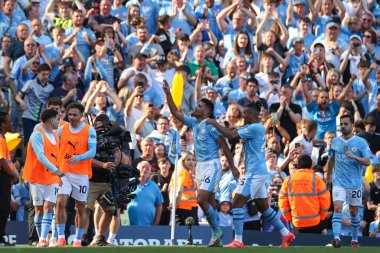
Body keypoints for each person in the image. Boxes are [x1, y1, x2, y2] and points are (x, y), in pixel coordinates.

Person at [206, 102, 295, 248]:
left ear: (253, 115)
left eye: (246, 113)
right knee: (264, 209)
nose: (243, 115)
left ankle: (238, 240)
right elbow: (232, 131)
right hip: (258, 172)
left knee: (236, 203)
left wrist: (214, 123)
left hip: (254, 173)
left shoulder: (254, 127)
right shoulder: (254, 127)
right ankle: (286, 233)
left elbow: (231, 135)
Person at [163, 80, 238, 247]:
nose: (195, 107)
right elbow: (175, 112)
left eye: (199, 106)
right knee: (210, 201)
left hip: (212, 165)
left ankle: (217, 231)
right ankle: (216, 237)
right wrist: (168, 93)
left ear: (206, 112)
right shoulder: (194, 123)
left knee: (201, 199)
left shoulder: (210, 126)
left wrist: (232, 167)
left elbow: (225, 145)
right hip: (200, 167)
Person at [326, 114, 371, 248]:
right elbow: (331, 160)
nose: (344, 126)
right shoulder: (336, 141)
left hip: (354, 183)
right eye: (342, 124)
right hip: (339, 181)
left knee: (353, 212)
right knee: (338, 208)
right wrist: (328, 175)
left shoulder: (361, 142)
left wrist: (354, 156)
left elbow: (368, 161)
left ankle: (355, 239)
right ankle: (336, 238)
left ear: (352, 125)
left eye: (346, 124)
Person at [55, 102, 97, 247]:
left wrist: (78, 158)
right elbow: (53, 147)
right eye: (70, 114)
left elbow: (92, 151)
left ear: (81, 116)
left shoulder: (89, 130)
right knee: (60, 202)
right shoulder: (61, 130)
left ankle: (78, 239)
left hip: (81, 174)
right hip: (64, 173)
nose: (71, 117)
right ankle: (61, 237)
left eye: (75, 115)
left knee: (80, 207)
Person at [22, 109, 64, 247]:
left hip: (51, 178)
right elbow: (40, 157)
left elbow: (56, 157)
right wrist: (57, 171)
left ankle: (43, 239)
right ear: (52, 121)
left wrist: (58, 175)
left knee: (49, 206)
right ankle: (41, 238)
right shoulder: (36, 135)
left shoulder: (54, 136)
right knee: (39, 209)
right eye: (58, 119)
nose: (59, 121)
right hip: (37, 178)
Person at [279, 155, 331, 234]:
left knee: (299, 245)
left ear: (298, 166)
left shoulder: (288, 180)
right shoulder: (317, 179)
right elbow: (325, 200)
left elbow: (282, 201)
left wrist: (289, 218)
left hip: (297, 222)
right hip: (315, 222)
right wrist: (322, 217)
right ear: (311, 166)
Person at [0, 112, 18, 246]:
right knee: (3, 207)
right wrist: (13, 174)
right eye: (9, 121)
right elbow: (1, 161)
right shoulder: (0, 139)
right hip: (2, 176)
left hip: (4, 176)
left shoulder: (3, 138)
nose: (11, 124)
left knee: (5, 207)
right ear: (3, 124)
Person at [127, 161, 163, 225]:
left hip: (149, 226)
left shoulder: (154, 186)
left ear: (150, 172)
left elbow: (159, 205)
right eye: (143, 167)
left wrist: (156, 223)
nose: (145, 169)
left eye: (147, 168)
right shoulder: (129, 183)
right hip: (129, 226)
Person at [169, 151, 198, 225]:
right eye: (188, 160)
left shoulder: (186, 173)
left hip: (189, 207)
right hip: (184, 208)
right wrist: (174, 208)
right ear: (183, 161)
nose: (191, 162)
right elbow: (179, 191)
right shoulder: (183, 173)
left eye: (192, 159)